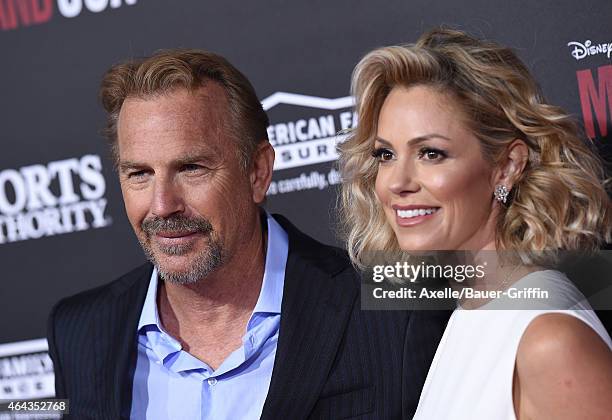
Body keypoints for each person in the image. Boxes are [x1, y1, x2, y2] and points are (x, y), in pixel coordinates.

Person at [47, 49, 450, 419]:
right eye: (139, 174)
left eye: (192, 169)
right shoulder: (81, 331)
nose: (162, 205)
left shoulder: (394, 309)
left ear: (258, 171)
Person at [338, 28, 612, 419]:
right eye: (385, 154)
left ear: (506, 166)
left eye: (431, 153)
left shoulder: (549, 341)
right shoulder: (472, 312)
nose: (397, 182)